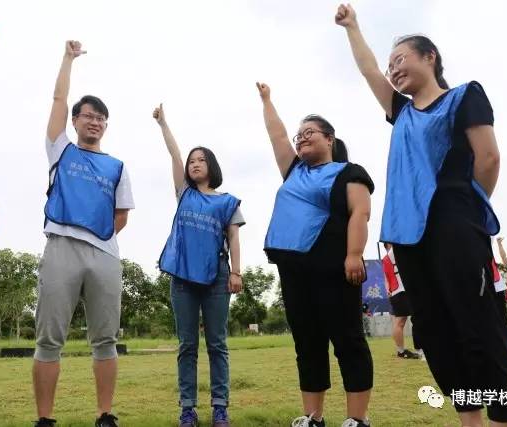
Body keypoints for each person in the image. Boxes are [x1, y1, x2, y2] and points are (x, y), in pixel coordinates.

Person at [336, 4, 507, 425]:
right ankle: (470, 420)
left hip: (455, 223)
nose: (393, 69)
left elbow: (488, 157)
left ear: (430, 57)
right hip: (407, 236)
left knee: (476, 323)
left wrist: (463, 208)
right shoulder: (399, 112)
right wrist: (353, 27)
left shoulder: (463, 96)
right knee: (435, 330)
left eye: (400, 59)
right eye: (390, 65)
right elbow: (369, 73)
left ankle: (503, 418)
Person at [257, 82, 374, 427]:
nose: (301, 138)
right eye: (299, 136)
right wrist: (267, 100)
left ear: (330, 139)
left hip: (335, 268)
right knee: (307, 344)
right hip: (294, 272)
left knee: (347, 340)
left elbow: (360, 213)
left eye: (309, 133)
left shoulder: (348, 172)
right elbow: (276, 136)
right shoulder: (294, 171)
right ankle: (313, 417)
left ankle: (357, 418)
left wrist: (355, 254)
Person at [32, 41, 134, 427]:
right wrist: (68, 59)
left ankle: (105, 414)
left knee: (105, 339)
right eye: (88, 116)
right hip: (61, 246)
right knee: (48, 339)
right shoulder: (60, 150)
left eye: (101, 118)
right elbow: (59, 97)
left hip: (105, 254)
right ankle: (45, 418)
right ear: (75, 121)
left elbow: (121, 215)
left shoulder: (117, 166)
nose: (94, 122)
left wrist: (100, 239)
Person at [153, 103, 244, 427]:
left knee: (217, 344)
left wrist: (236, 271)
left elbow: (233, 238)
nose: (194, 164)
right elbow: (174, 157)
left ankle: (220, 407)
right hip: (182, 278)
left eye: (200, 159)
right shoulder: (184, 195)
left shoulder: (226, 201)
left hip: (218, 277)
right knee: (187, 345)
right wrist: (164, 124)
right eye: (192, 161)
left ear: (212, 166)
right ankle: (187, 409)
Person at [381, 243, 422, 360]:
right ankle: (410, 350)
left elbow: (386, 279)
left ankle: (401, 350)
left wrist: (388, 291)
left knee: (398, 322)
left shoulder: (385, 259)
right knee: (402, 322)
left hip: (395, 291)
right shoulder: (395, 252)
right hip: (401, 290)